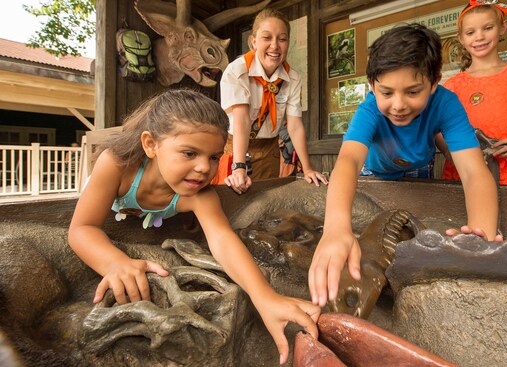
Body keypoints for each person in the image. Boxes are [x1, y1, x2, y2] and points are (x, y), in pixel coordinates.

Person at [68, 89, 319, 365]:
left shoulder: (200, 195)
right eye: (189, 153)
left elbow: (222, 239)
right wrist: (115, 263)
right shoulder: (117, 165)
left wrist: (265, 297)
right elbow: (82, 228)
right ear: (151, 145)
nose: (203, 168)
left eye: (213, 157)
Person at [307, 24, 501, 307]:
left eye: (412, 92)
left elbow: (473, 172)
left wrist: (481, 236)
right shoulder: (370, 109)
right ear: (372, 85)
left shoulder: (447, 104)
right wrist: (336, 228)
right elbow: (348, 161)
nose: (398, 105)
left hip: (418, 170)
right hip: (374, 173)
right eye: (387, 92)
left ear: (434, 83)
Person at [215, 8, 328, 194]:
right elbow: (242, 120)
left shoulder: (292, 78)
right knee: (232, 203)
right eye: (267, 38)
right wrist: (239, 166)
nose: (275, 46)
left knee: (265, 203)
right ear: (253, 42)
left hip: (269, 149)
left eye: (282, 39)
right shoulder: (237, 71)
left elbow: (294, 125)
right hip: (234, 147)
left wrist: (307, 168)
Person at [439, 0, 507, 185]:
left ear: (502, 27)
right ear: (461, 38)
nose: (479, 37)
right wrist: (450, 154)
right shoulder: (452, 85)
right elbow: (440, 131)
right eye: (470, 32)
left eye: (488, 28)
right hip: (465, 167)